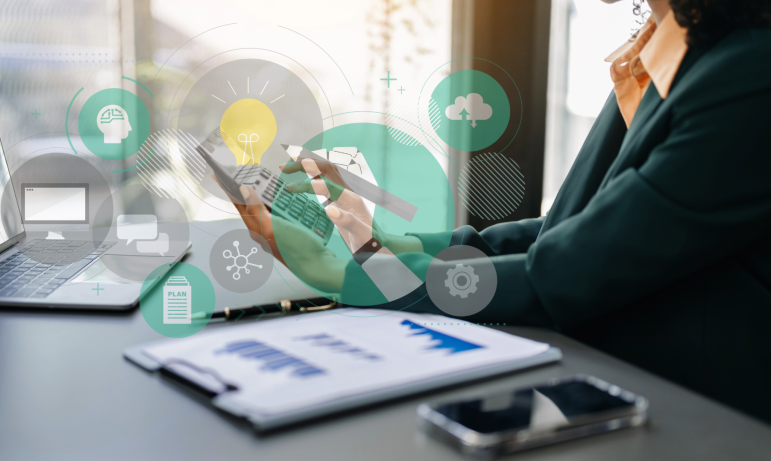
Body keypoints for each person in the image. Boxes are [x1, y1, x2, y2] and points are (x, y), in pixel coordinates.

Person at [226, 0, 771, 423]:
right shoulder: (672, 50)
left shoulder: (748, 73)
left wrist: (364, 275)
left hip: (697, 420)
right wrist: (398, 245)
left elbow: (565, 275)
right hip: (619, 384)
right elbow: (579, 231)